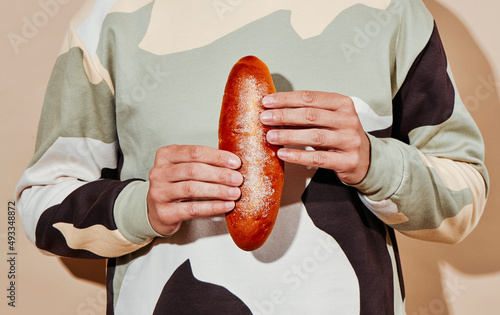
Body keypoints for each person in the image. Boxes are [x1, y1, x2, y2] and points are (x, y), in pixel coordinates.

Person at [15, 0, 489, 314]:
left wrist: (373, 162)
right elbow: (39, 205)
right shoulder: (111, 18)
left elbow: (465, 195)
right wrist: (140, 208)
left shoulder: (393, 11)